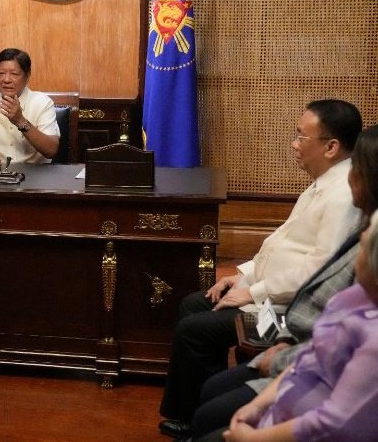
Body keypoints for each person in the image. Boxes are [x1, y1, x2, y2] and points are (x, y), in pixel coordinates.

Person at [159, 99, 363, 438]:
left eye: (301, 137)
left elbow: (315, 273)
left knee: (195, 328)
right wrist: (241, 277)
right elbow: (280, 245)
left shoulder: (342, 195)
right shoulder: (322, 182)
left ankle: (197, 416)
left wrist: (251, 293)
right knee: (193, 303)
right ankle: (193, 410)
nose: (294, 144)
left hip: (283, 310)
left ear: (331, 146)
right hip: (265, 293)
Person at [206, 209, 378, 441]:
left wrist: (253, 439)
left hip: (304, 424)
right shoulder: (351, 297)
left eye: (365, 245)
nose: (360, 242)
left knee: (211, 417)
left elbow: (334, 425)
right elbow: (311, 353)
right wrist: (258, 405)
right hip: (287, 391)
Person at [0, 48, 60, 164]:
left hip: (35, 176)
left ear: (27, 76)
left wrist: (20, 121)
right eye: (1, 73)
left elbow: (51, 150)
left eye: (14, 74)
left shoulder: (43, 103)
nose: (6, 80)